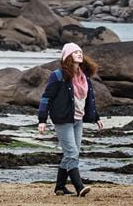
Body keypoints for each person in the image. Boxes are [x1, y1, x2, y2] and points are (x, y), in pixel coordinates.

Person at [37, 42, 103, 197]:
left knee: (71, 154)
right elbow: (46, 98)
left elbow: (89, 99)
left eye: (80, 52)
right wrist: (42, 120)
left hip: (78, 120)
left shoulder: (84, 76)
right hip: (63, 119)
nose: (79, 54)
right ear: (67, 57)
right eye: (75, 52)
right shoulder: (58, 76)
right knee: (72, 152)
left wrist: (96, 117)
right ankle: (79, 187)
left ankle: (60, 187)